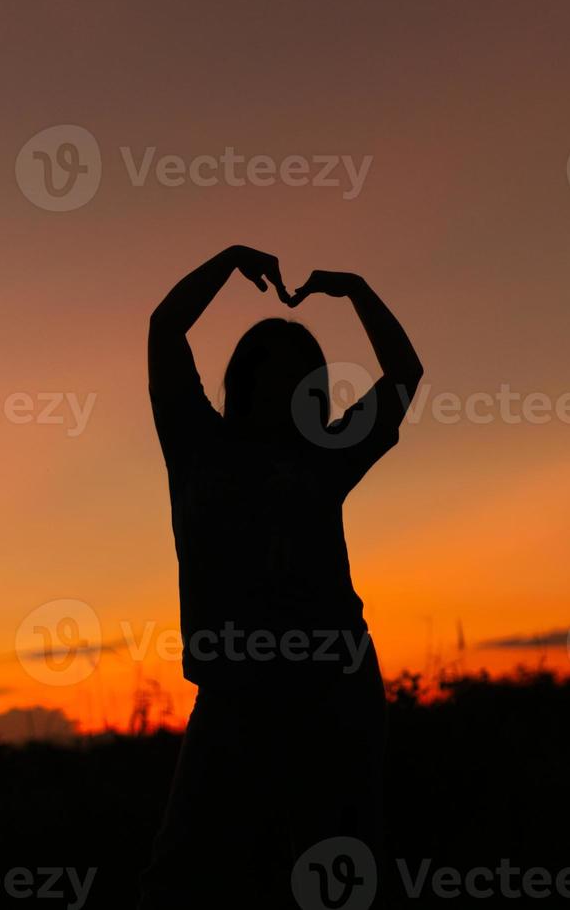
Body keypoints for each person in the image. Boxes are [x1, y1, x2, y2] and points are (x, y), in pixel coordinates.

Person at [140, 245, 423, 909]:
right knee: (182, 878)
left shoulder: (327, 455)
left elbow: (405, 372)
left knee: (336, 874)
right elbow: (166, 327)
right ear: (245, 379)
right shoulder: (194, 441)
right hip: (233, 690)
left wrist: (356, 289)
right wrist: (227, 261)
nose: (292, 388)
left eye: (305, 377)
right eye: (278, 372)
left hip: (333, 685)